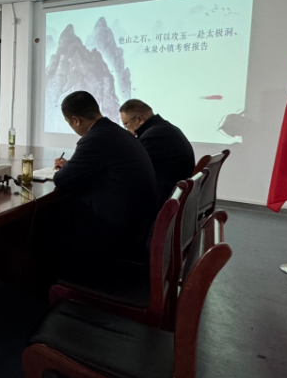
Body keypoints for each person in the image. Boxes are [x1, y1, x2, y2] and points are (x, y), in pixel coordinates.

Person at [51, 91, 158, 266]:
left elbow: (62, 180)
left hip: (120, 231)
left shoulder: (95, 138)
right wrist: (73, 166)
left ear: (76, 120)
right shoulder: (114, 131)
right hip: (141, 223)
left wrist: (66, 170)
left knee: (53, 219)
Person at [120, 99, 196, 207]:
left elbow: (137, 171)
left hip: (167, 199)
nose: (126, 129)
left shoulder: (153, 136)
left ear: (139, 119)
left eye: (126, 124)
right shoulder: (165, 129)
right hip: (177, 192)